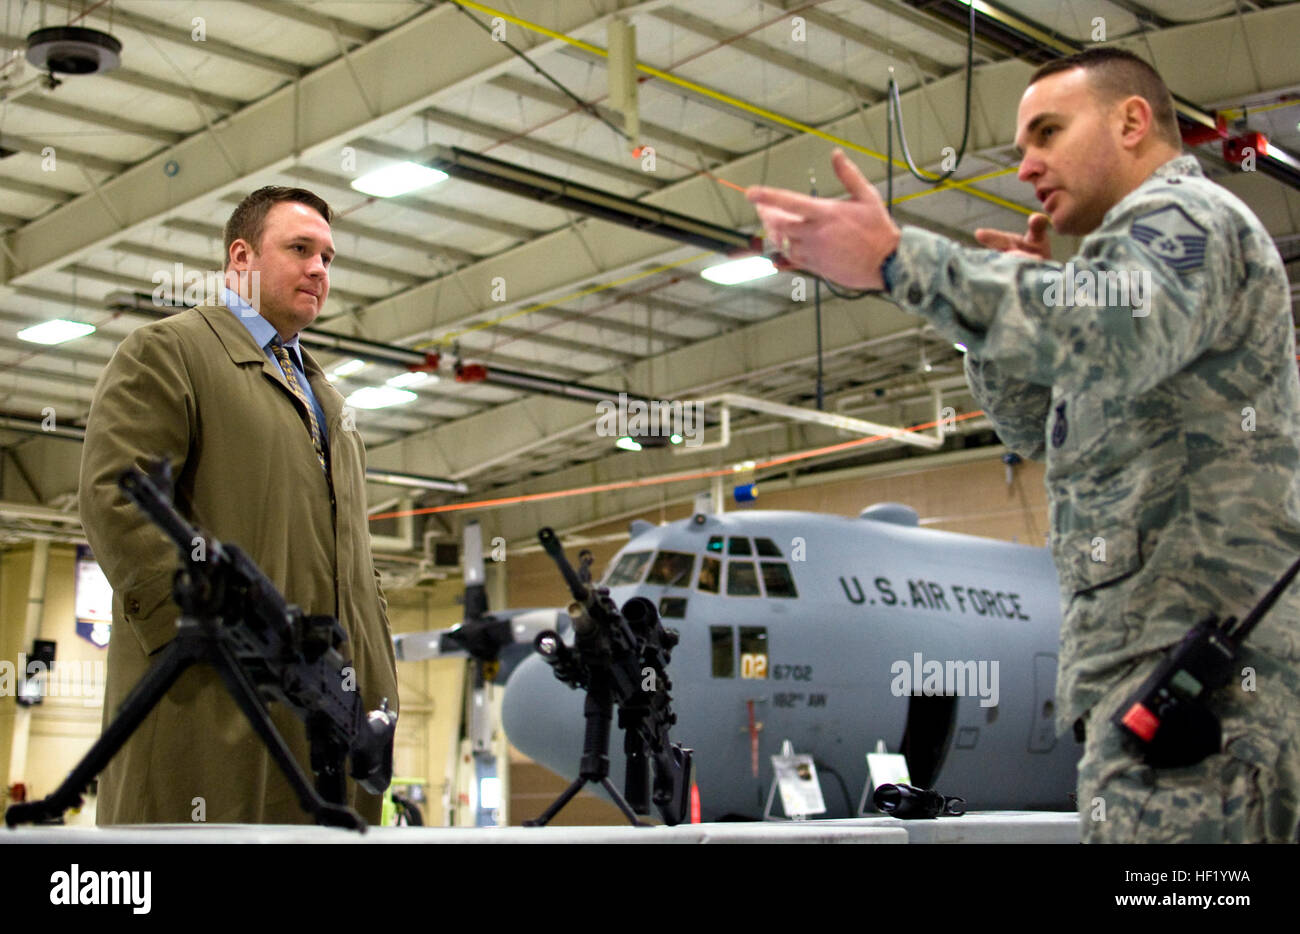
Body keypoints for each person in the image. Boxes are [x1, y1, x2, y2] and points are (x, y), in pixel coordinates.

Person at [748, 48, 1300, 843]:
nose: (1027, 167)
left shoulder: (1190, 222)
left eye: (1047, 132)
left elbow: (1115, 329)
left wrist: (900, 261)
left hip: (1200, 692)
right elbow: (1040, 430)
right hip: (1157, 680)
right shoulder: (1133, 268)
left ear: (1132, 121)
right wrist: (1000, 338)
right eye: (1021, 150)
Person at [80, 187, 400, 824]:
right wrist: (213, 644)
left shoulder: (327, 400)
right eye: (300, 249)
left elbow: (350, 563)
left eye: (329, 258)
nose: (319, 269)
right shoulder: (171, 352)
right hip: (212, 708)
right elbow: (119, 500)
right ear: (242, 256)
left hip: (334, 723)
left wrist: (376, 673)